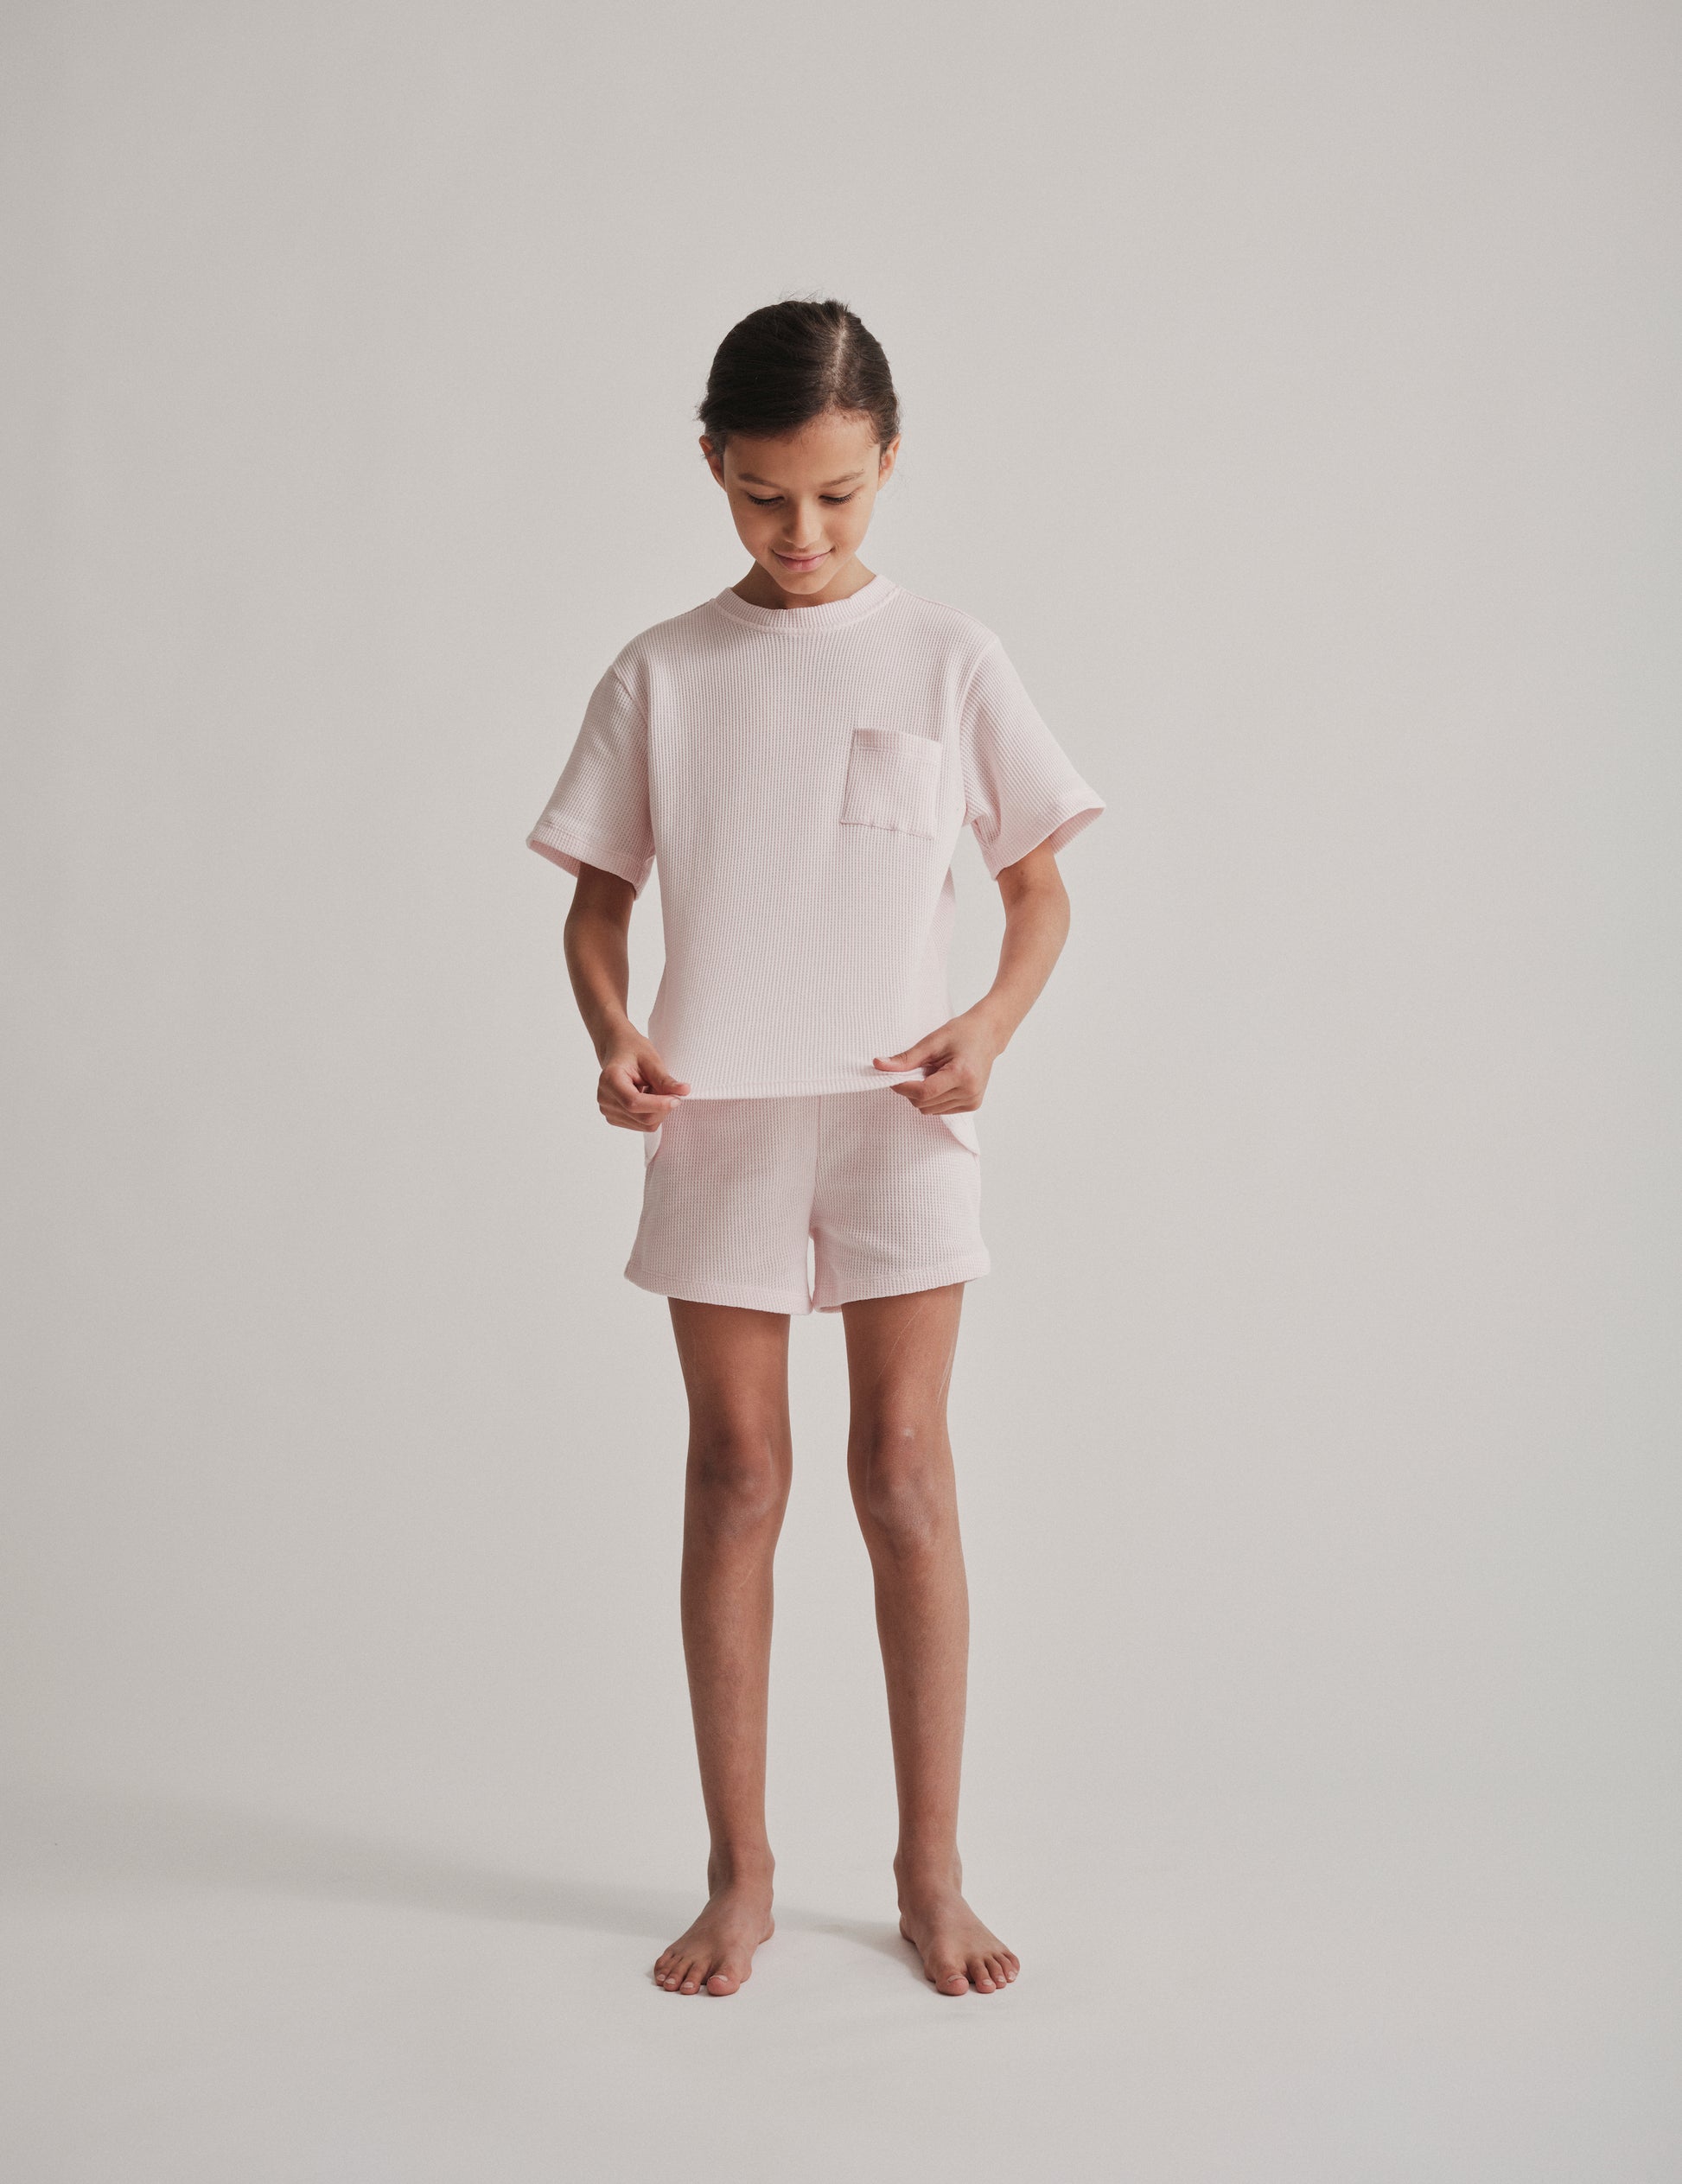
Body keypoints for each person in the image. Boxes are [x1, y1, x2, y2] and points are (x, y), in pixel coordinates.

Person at [526, 299, 1105, 1999]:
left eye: (836, 497)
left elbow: (1038, 891)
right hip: (716, 1117)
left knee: (903, 1472)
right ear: (713, 462)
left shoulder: (949, 656)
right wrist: (612, 1033)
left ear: (889, 461)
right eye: (764, 496)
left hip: (898, 1117)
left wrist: (987, 1027)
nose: (800, 532)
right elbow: (596, 905)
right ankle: (743, 1873)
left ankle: (931, 1872)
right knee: (735, 1476)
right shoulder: (661, 672)